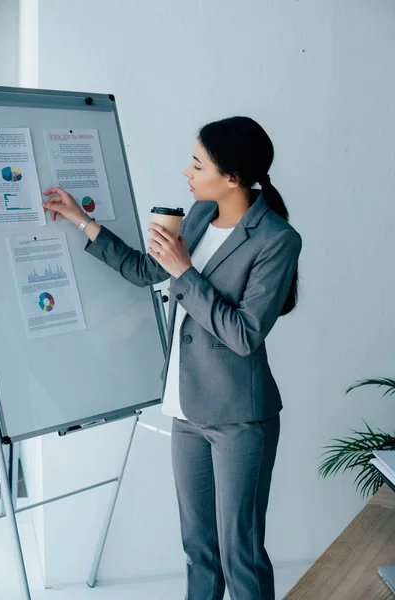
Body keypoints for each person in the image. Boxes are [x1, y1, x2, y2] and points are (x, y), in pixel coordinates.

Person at [43, 116, 302, 600]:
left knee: (239, 552)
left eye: (198, 163)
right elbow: (147, 270)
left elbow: (244, 334)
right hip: (186, 408)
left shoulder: (277, 239)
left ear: (232, 177)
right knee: (198, 549)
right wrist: (82, 219)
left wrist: (185, 271)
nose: (187, 170)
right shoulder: (201, 213)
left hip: (240, 419)